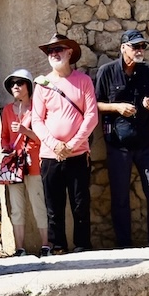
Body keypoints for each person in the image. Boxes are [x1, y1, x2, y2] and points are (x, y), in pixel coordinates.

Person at [96, 29, 149, 248]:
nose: (139, 50)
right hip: (119, 145)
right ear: (123, 48)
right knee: (120, 198)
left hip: (146, 144)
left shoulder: (146, 71)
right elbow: (95, 104)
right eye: (135, 46)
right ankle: (124, 245)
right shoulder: (106, 71)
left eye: (142, 46)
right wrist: (116, 107)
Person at [31, 32, 98, 252]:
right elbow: (37, 120)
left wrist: (71, 145)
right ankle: (57, 246)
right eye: (51, 51)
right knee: (54, 206)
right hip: (51, 156)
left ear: (69, 52)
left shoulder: (84, 81)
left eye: (58, 49)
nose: (54, 54)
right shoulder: (42, 84)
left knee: (80, 204)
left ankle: (82, 246)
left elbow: (91, 116)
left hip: (78, 154)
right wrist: (55, 145)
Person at [0, 69, 49, 257]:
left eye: (20, 82)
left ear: (28, 86)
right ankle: (19, 248)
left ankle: (45, 245)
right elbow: (4, 136)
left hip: (34, 161)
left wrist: (24, 130)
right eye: (12, 84)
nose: (16, 87)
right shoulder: (7, 111)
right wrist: (6, 147)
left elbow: (44, 137)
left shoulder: (38, 108)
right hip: (14, 164)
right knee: (17, 207)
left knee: (38, 203)